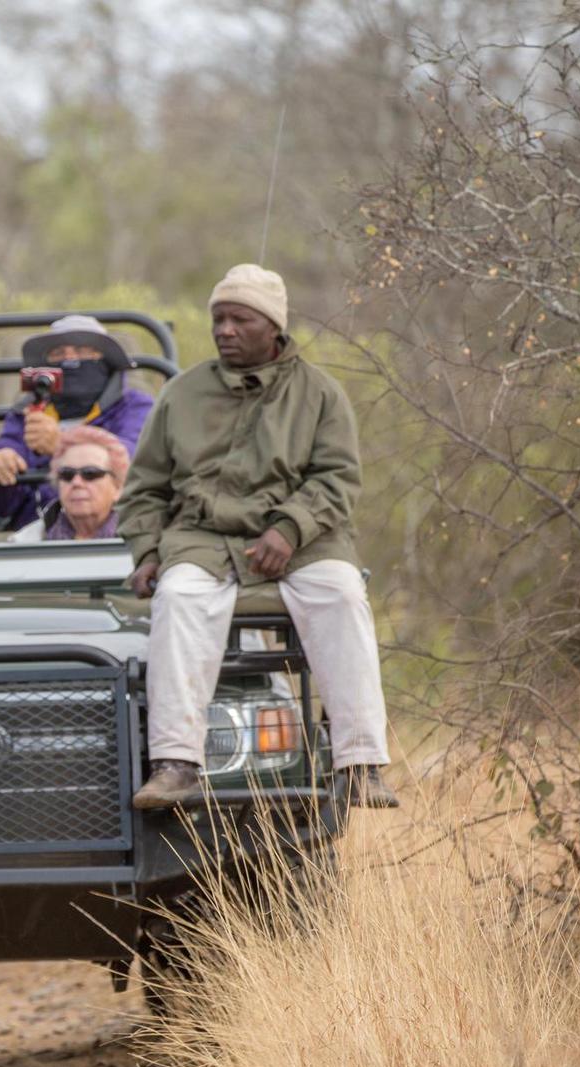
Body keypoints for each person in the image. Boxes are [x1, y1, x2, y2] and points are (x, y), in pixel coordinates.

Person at [117, 264, 396, 810]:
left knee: (341, 595)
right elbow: (144, 486)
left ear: (273, 327)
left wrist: (289, 527)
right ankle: (175, 763)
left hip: (306, 540)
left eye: (239, 319)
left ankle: (360, 763)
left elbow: (337, 478)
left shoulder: (320, 393)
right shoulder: (182, 393)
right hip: (202, 537)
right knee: (179, 598)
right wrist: (148, 551)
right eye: (218, 318)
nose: (224, 329)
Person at [0, 315, 154, 531]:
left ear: (105, 360)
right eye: (58, 353)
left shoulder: (135, 406)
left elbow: (137, 466)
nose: (69, 358)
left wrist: (62, 445)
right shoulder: (27, 412)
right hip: (38, 537)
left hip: (118, 532)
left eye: (83, 350)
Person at [10, 427, 130, 542]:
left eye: (90, 473)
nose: (76, 482)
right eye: (67, 474)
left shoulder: (141, 542)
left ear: (118, 488)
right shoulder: (25, 543)